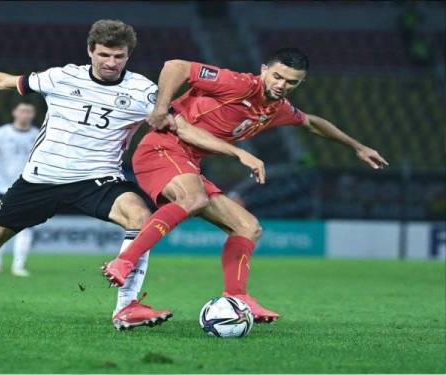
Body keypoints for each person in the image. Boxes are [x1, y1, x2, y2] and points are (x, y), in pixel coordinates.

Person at [0, 19, 262, 330]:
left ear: (128, 56)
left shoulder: (142, 91)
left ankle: (126, 308)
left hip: (97, 179)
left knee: (140, 216)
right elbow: (2, 81)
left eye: (118, 56)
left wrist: (235, 151)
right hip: (40, 179)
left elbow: (180, 128)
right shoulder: (61, 78)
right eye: (104, 54)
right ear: (90, 52)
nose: (111, 62)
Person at [103, 48, 389, 322]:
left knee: (248, 227)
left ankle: (237, 297)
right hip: (162, 148)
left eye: (292, 82)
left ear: (301, 82)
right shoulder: (238, 84)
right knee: (193, 198)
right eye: (277, 76)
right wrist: (161, 109)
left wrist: (357, 146)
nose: (282, 85)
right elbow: (176, 66)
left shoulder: (276, 108)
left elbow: (312, 123)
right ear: (264, 69)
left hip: (189, 162)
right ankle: (125, 261)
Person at [0, 102, 40, 277]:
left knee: (26, 227)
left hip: (27, 188)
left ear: (33, 114)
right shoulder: (1, 133)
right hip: (1, 186)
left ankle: (18, 266)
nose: (25, 114)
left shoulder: (37, 134)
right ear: (14, 112)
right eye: (22, 110)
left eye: (28, 111)